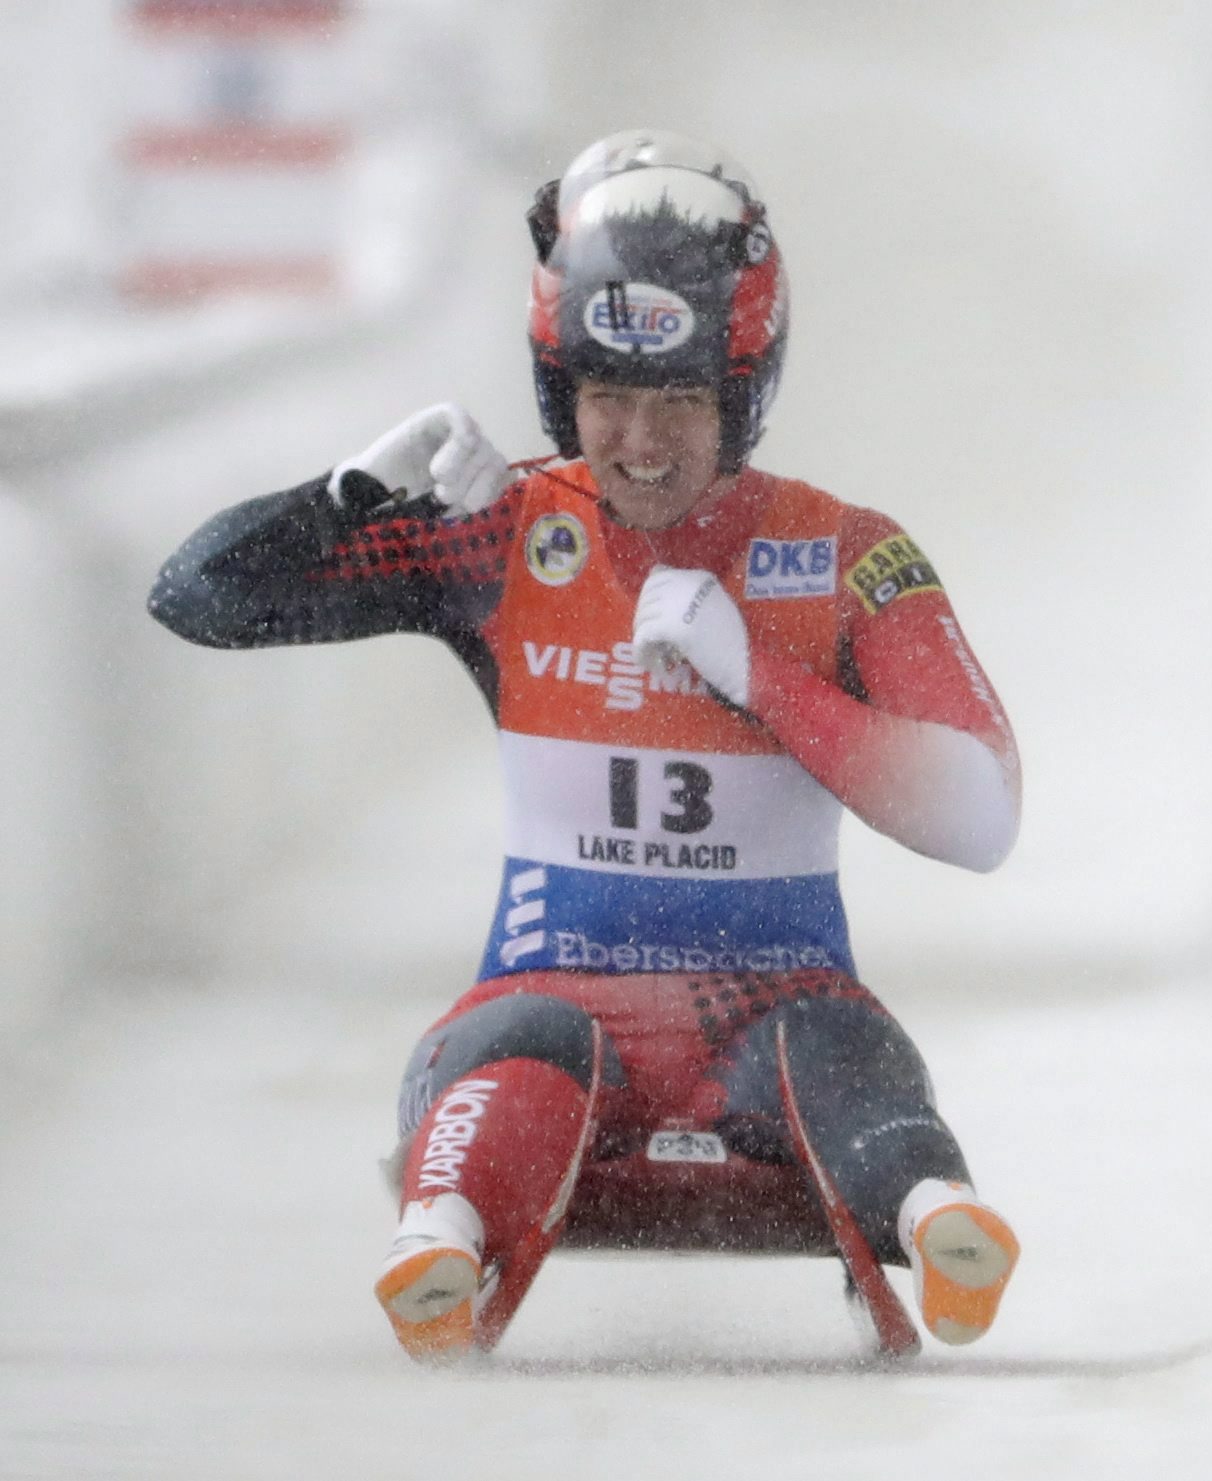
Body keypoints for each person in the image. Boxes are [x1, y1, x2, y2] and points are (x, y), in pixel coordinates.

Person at [149, 129, 1022, 1362]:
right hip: (547, 1000)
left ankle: (941, 1217)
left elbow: (981, 811)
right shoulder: (500, 526)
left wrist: (761, 677)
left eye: (679, 400)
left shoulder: (843, 552)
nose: (643, 442)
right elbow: (198, 598)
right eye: (610, 397)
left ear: (744, 388)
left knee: (841, 1048)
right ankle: (439, 1239)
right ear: (562, 387)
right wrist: (343, 494)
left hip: (775, 1014)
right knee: (510, 1048)